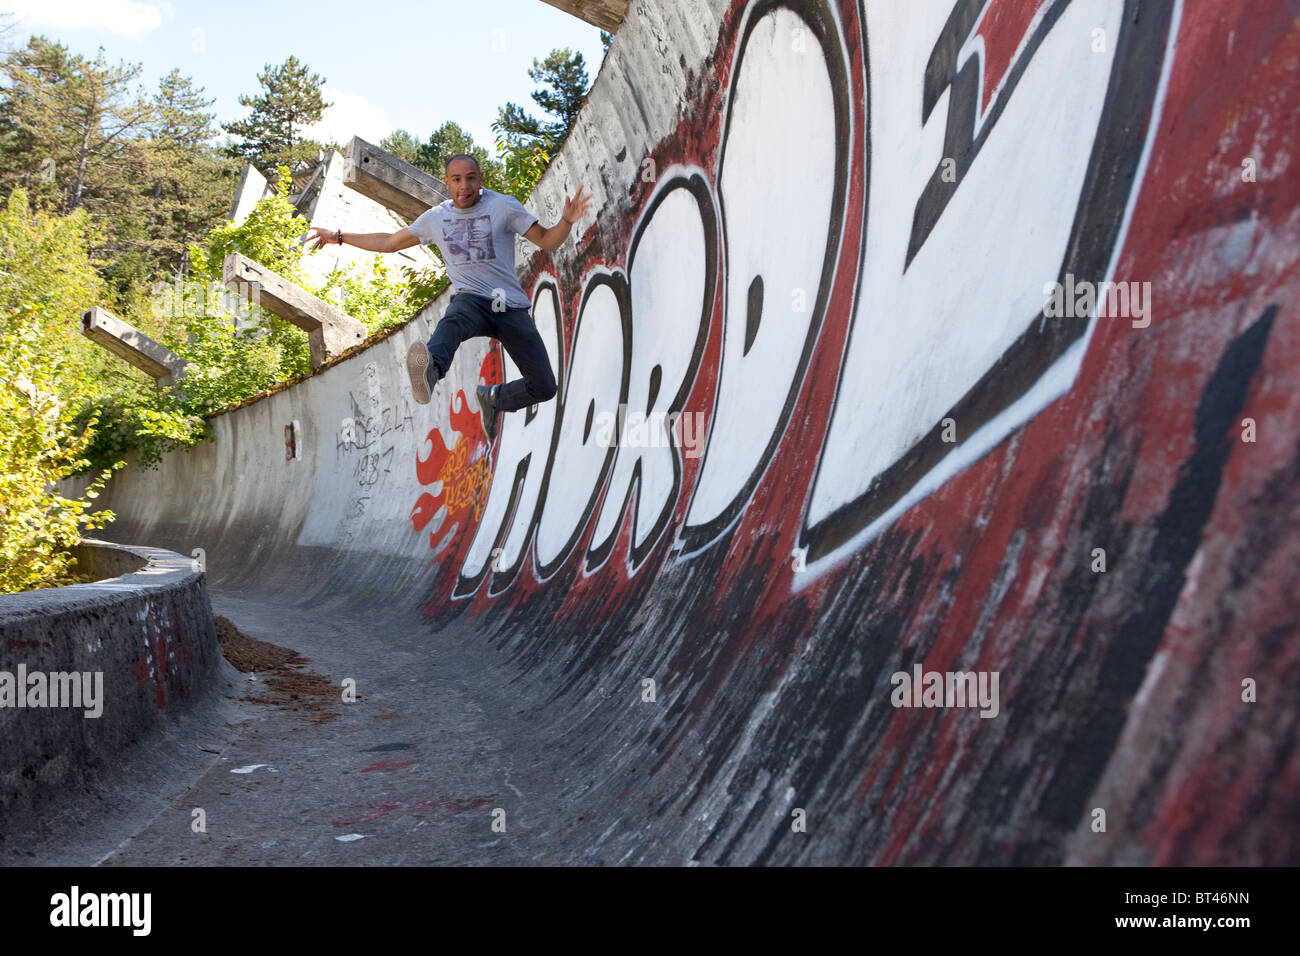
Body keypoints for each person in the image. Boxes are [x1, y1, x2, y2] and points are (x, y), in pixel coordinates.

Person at [305, 154, 591, 439]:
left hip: (509, 305)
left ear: (480, 179)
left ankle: (494, 398)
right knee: (455, 317)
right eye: (456, 180)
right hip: (473, 300)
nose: (464, 186)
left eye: (470, 178)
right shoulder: (437, 218)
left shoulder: (503, 207)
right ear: (447, 183)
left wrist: (565, 221)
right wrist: (339, 236)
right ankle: (430, 370)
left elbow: (546, 239)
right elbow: (389, 242)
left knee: (544, 387)